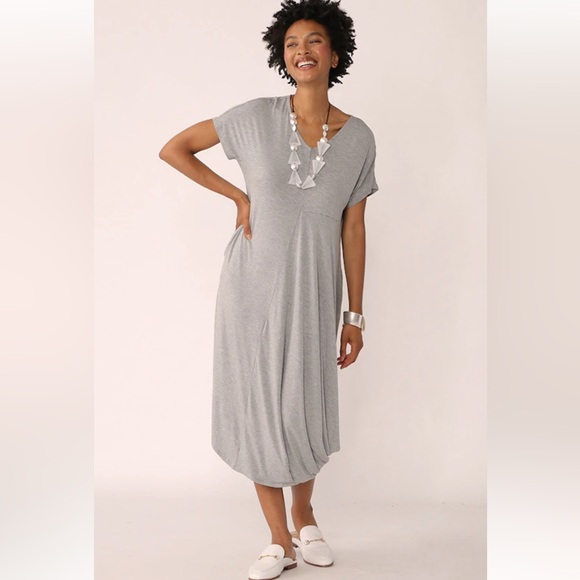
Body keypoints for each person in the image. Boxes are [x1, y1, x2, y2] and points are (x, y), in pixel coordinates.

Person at [159, 0, 378, 577]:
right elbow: (174, 148)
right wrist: (237, 196)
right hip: (251, 286)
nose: (302, 51)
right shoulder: (254, 116)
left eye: (314, 41)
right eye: (291, 44)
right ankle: (278, 536)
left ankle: (305, 517)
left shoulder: (358, 138)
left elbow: (353, 228)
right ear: (283, 58)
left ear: (335, 54)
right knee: (260, 402)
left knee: (303, 400)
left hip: (315, 289)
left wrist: (355, 315)